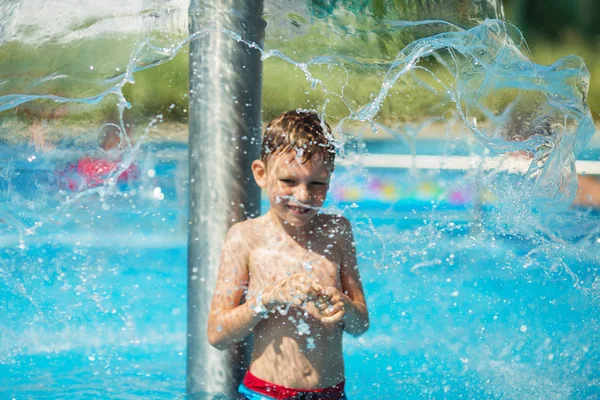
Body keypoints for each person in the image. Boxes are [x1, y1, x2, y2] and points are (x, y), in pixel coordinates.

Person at [207, 110, 369, 400]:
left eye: (316, 184)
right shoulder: (245, 238)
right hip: (266, 394)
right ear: (261, 173)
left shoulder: (338, 231)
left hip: (331, 394)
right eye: (289, 182)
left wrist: (344, 306)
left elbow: (361, 324)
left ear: (330, 178)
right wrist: (266, 299)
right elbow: (218, 334)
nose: (303, 196)